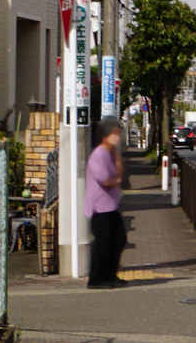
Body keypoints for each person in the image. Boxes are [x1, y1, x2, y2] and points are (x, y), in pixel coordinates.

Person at [84, 116, 128, 289]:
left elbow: (119, 174)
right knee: (102, 244)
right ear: (106, 134)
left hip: (110, 206)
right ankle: (95, 279)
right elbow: (106, 180)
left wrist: (116, 154)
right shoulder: (99, 154)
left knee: (118, 239)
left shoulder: (109, 153)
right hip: (99, 208)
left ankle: (110, 275)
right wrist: (116, 180)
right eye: (115, 134)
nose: (118, 137)